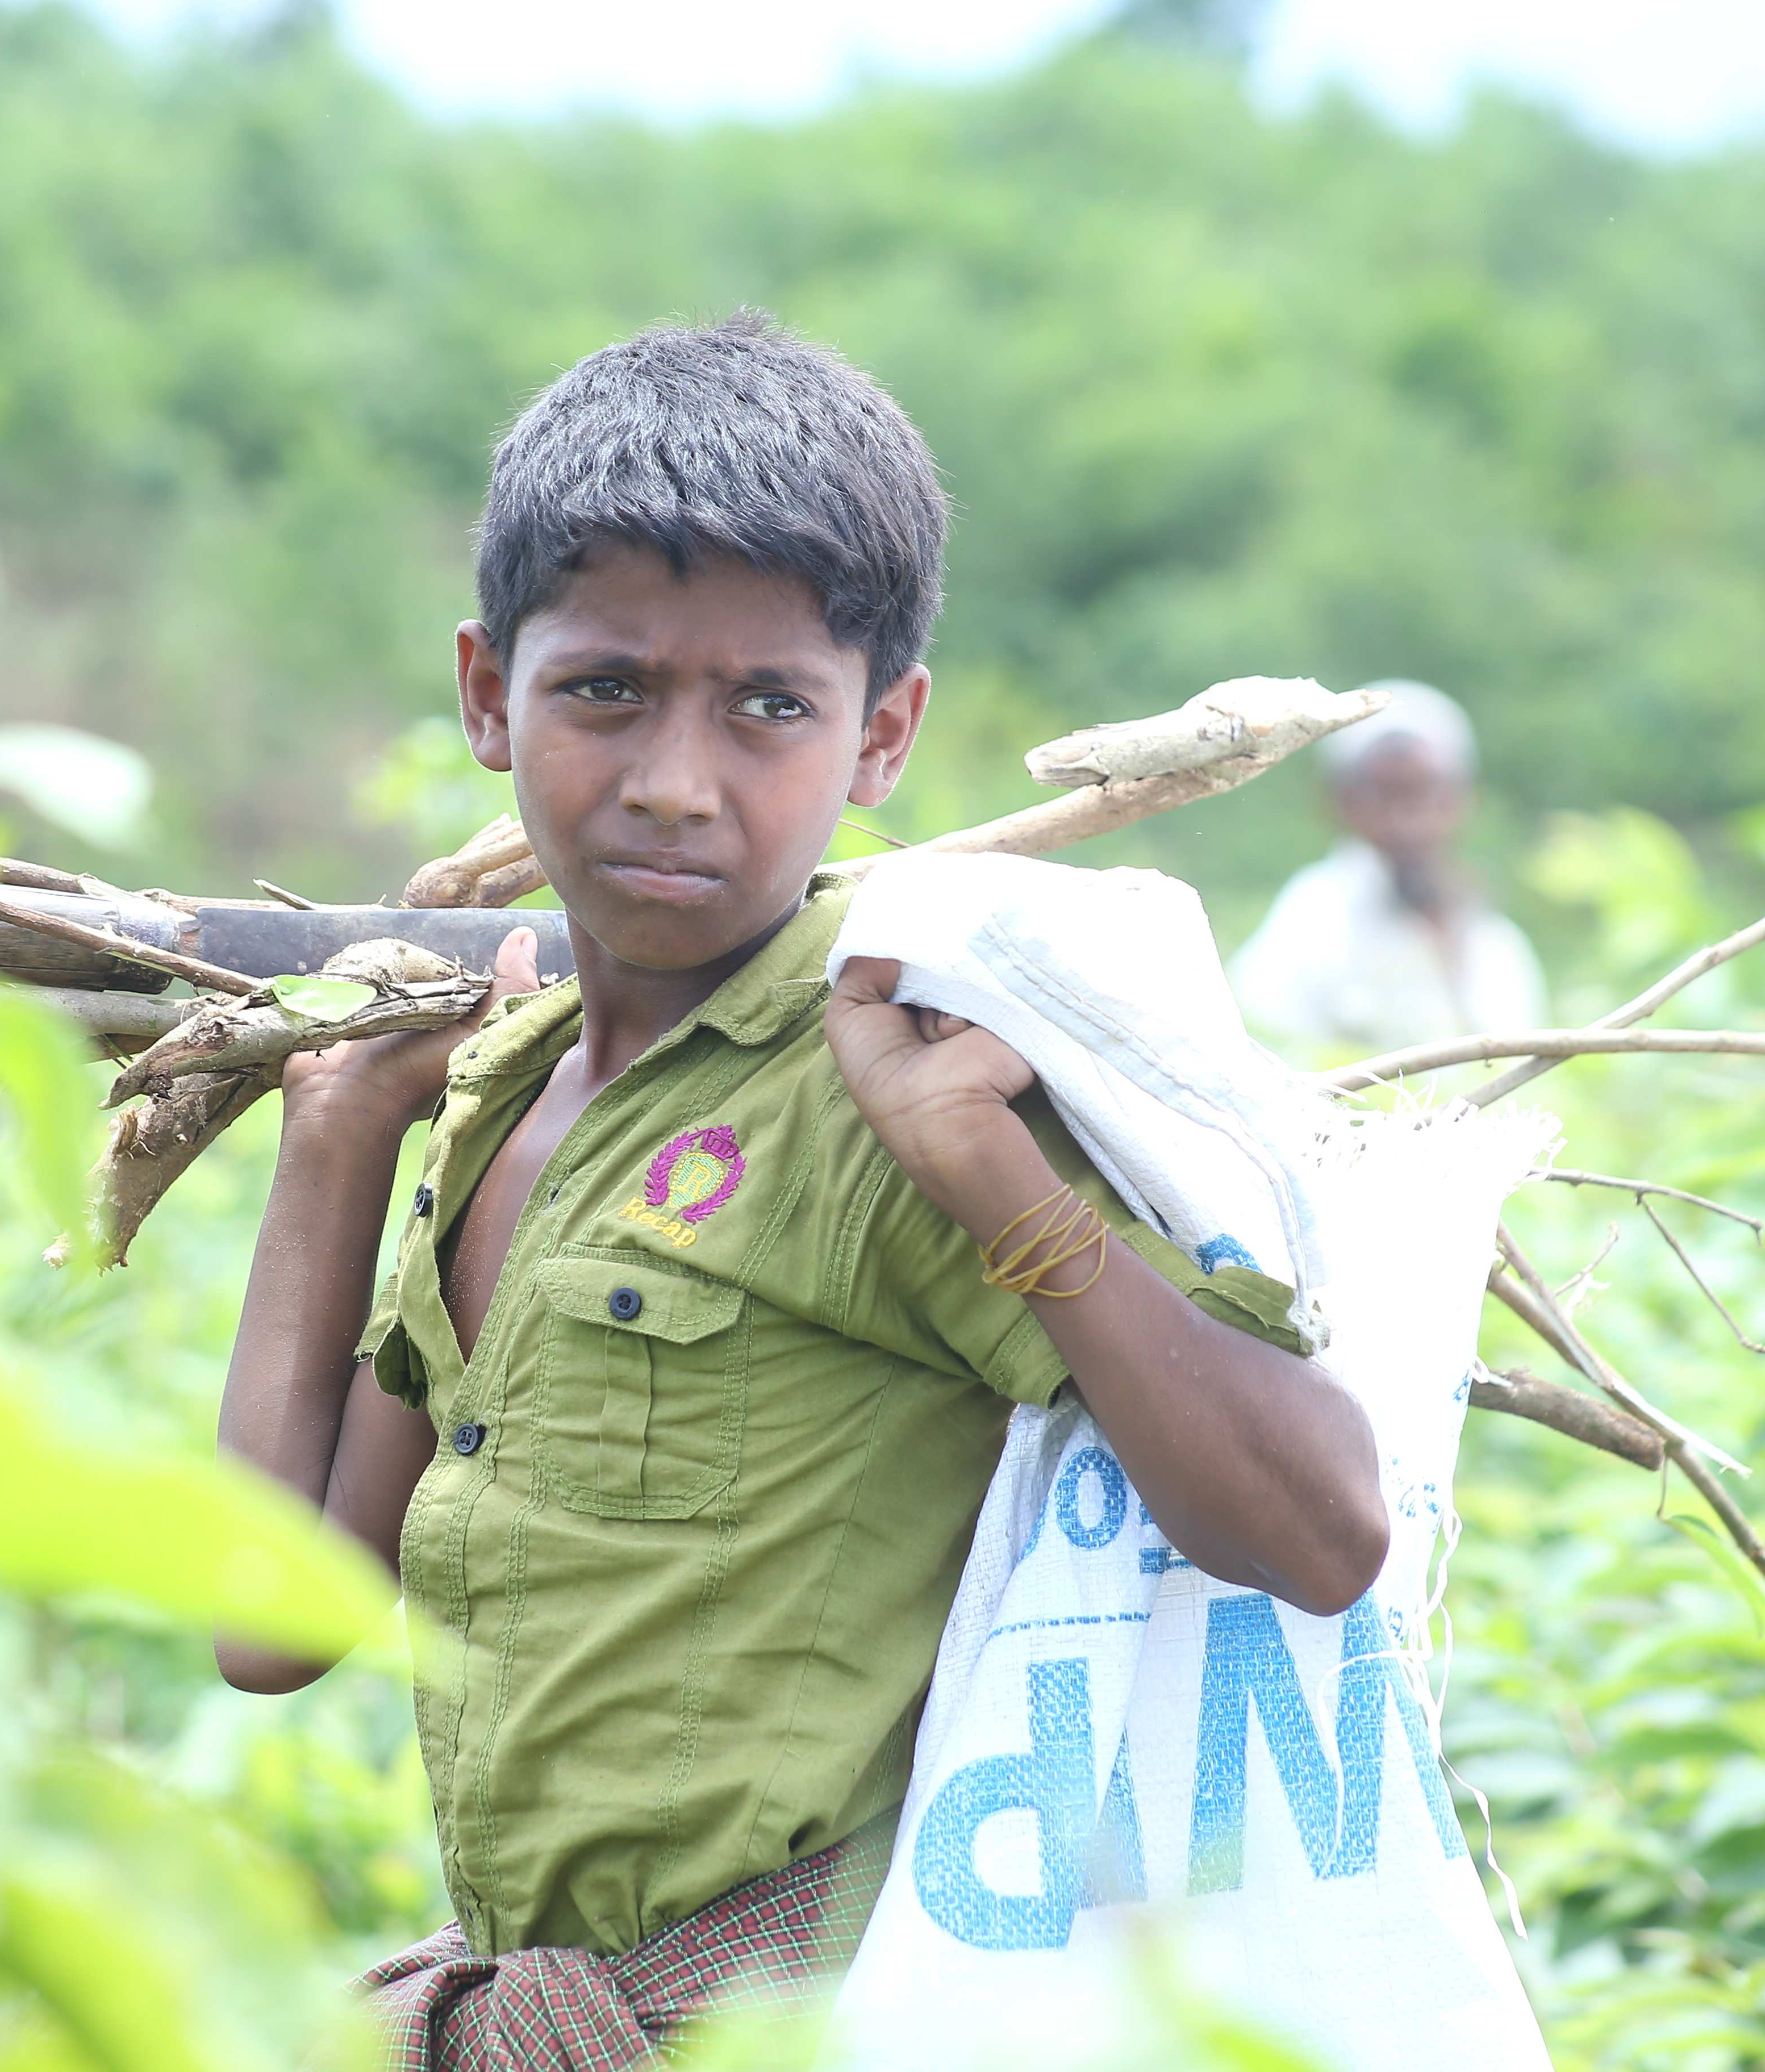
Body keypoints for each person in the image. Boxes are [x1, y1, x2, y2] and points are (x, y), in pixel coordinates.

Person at [212, 313, 1388, 2069]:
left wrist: (995, 1176)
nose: (676, 783)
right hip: (563, 2014)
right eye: (605, 689)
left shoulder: (899, 1074)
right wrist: (334, 1147)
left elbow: (1321, 1530)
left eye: (769, 707)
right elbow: (269, 1618)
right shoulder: (503, 1096)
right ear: (486, 695)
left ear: (883, 735)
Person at [1228, 681, 1547, 1060]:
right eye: (1385, 795)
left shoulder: (1492, 942)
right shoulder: (1310, 920)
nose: (1407, 822)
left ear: (1461, 799)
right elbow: (1263, 1053)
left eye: (1424, 794)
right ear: (1341, 802)